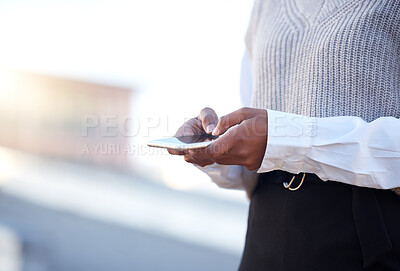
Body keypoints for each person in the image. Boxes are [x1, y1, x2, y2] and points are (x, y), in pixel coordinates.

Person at [169, 1, 400, 270]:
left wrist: (286, 140)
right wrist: (215, 145)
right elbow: (260, 152)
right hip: (264, 230)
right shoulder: (266, 6)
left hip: (365, 236)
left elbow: (278, 140)